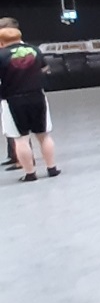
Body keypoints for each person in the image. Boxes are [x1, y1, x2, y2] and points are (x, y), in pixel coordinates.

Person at [0, 27, 59, 182]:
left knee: (21, 139)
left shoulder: (1, 55)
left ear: (1, 42)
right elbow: (45, 69)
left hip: (12, 100)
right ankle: (52, 168)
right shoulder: (35, 50)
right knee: (43, 135)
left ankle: (30, 173)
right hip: (37, 96)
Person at [0, 17, 21, 170]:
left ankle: (21, 158)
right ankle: (13, 155)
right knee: (8, 125)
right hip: (7, 91)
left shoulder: (14, 50)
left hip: (13, 92)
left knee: (16, 127)